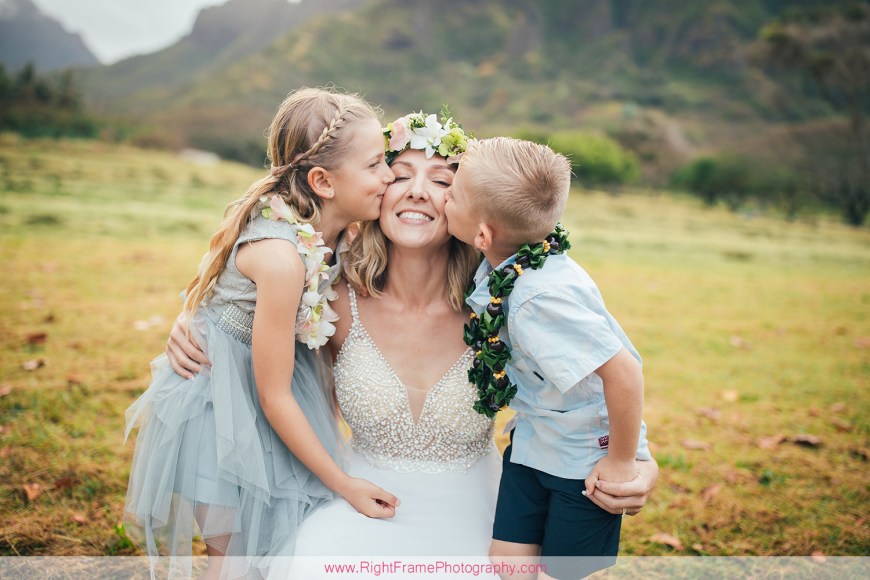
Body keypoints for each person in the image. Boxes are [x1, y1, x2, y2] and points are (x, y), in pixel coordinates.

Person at [167, 115, 659, 577]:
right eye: (399, 174)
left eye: (443, 181)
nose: (418, 191)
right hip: (358, 505)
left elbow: (595, 382)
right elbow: (250, 325)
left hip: (483, 514)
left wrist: (639, 463)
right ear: (374, 188)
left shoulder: (505, 302)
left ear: (476, 211)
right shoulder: (326, 294)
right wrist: (194, 323)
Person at [123, 87, 398, 579]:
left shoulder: (341, 231)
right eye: (376, 164)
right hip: (220, 400)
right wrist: (344, 483)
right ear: (323, 182)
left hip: (277, 380)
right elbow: (273, 396)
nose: (389, 175)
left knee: (279, 535)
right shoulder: (280, 257)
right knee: (233, 551)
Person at [444, 136, 653, 580]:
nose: (444, 197)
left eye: (453, 194)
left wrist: (623, 460)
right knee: (507, 560)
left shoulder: (539, 298)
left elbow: (625, 372)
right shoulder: (513, 263)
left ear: (483, 236)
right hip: (533, 442)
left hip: (583, 461)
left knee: (562, 572)